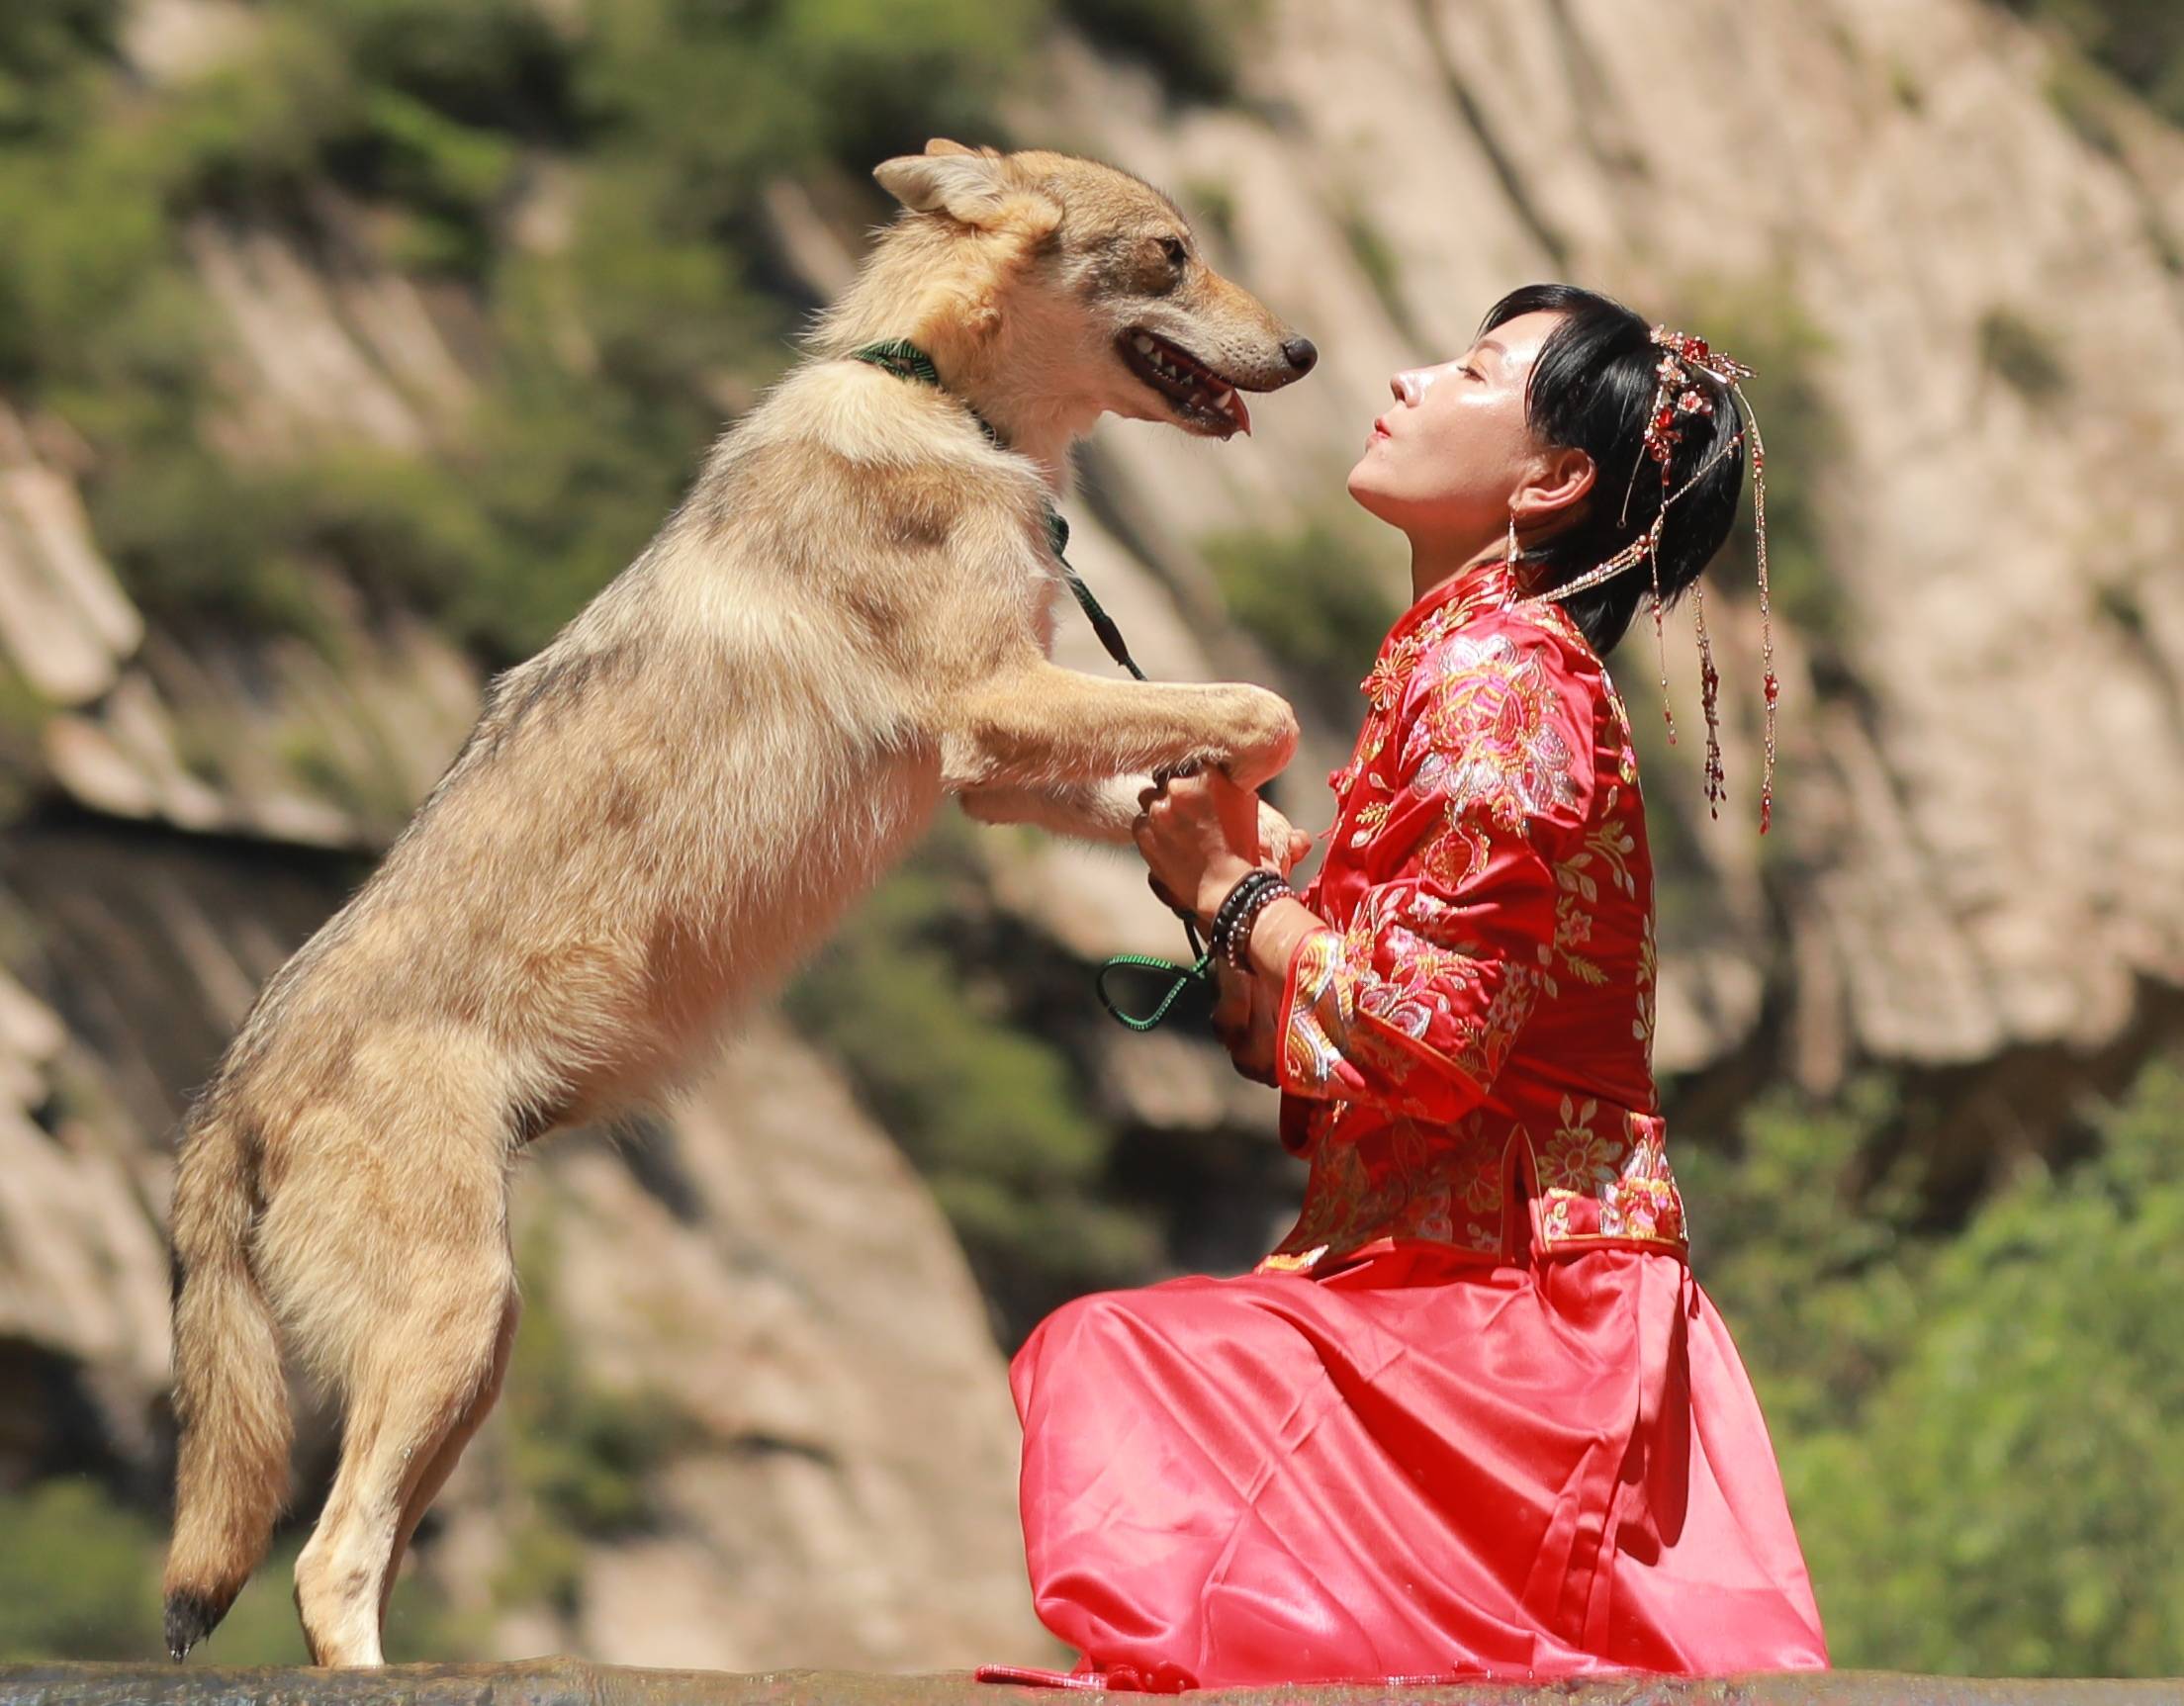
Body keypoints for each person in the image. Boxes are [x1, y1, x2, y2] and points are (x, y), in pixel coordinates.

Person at [984, 284, 1829, 1689]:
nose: (1410, 375)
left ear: (1553, 479)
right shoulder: (1460, 674)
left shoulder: (1498, 678)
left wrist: (1232, 896)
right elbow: (1355, 1047)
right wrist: (1260, 903)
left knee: (1111, 1366)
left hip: (1519, 1333)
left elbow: (1430, 1032)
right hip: (1458, 1311)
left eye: (1476, 371)